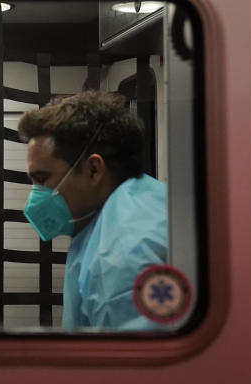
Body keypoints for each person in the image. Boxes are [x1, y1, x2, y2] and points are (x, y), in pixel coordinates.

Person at [18, 91, 168, 330]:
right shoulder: (143, 198)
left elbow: (133, 364)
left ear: (94, 170)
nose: (36, 195)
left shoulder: (119, 259)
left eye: (42, 178)